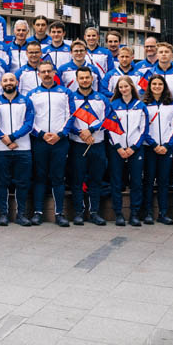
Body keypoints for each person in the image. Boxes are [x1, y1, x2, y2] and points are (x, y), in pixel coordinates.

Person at [27, 62, 73, 226]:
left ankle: (59, 213)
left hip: (60, 141)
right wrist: (41, 134)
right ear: (38, 74)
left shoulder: (65, 93)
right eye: (43, 71)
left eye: (49, 71)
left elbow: (71, 115)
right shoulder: (32, 94)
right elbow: (29, 119)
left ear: (54, 73)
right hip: (40, 141)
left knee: (58, 177)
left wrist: (59, 134)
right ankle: (38, 212)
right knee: (39, 177)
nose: (46, 74)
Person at [67, 66, 111, 226]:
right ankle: (79, 212)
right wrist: (80, 132)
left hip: (97, 145)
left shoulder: (101, 98)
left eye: (87, 77)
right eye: (81, 78)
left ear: (92, 79)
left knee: (96, 180)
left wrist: (91, 130)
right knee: (77, 180)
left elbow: (108, 119)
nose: (85, 80)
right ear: (77, 79)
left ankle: (94, 212)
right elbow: (66, 119)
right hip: (78, 145)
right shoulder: (70, 97)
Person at [0, 71, 34, 227]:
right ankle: (3, 214)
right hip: (1, 148)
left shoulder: (26, 101)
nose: (8, 82)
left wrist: (13, 137)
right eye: (5, 80)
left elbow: (29, 123)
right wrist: (6, 139)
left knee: (22, 182)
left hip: (23, 148)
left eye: (11, 80)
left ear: (17, 82)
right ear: (1, 84)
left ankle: (21, 214)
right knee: (2, 182)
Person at [108, 76, 147, 227]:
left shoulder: (140, 105)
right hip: (117, 149)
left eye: (126, 86)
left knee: (136, 182)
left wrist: (133, 147)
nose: (123, 89)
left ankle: (134, 214)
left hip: (135, 149)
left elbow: (143, 129)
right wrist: (118, 147)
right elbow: (110, 128)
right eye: (120, 87)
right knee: (116, 182)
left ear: (131, 87)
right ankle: (118, 213)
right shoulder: (113, 105)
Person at [143, 74, 173, 225]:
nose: (157, 86)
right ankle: (148, 213)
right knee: (149, 181)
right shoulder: (144, 104)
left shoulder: (171, 104)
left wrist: (166, 145)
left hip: (166, 148)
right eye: (154, 84)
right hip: (149, 148)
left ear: (164, 86)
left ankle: (163, 213)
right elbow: (142, 127)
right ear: (149, 87)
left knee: (164, 182)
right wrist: (153, 145)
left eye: (160, 84)